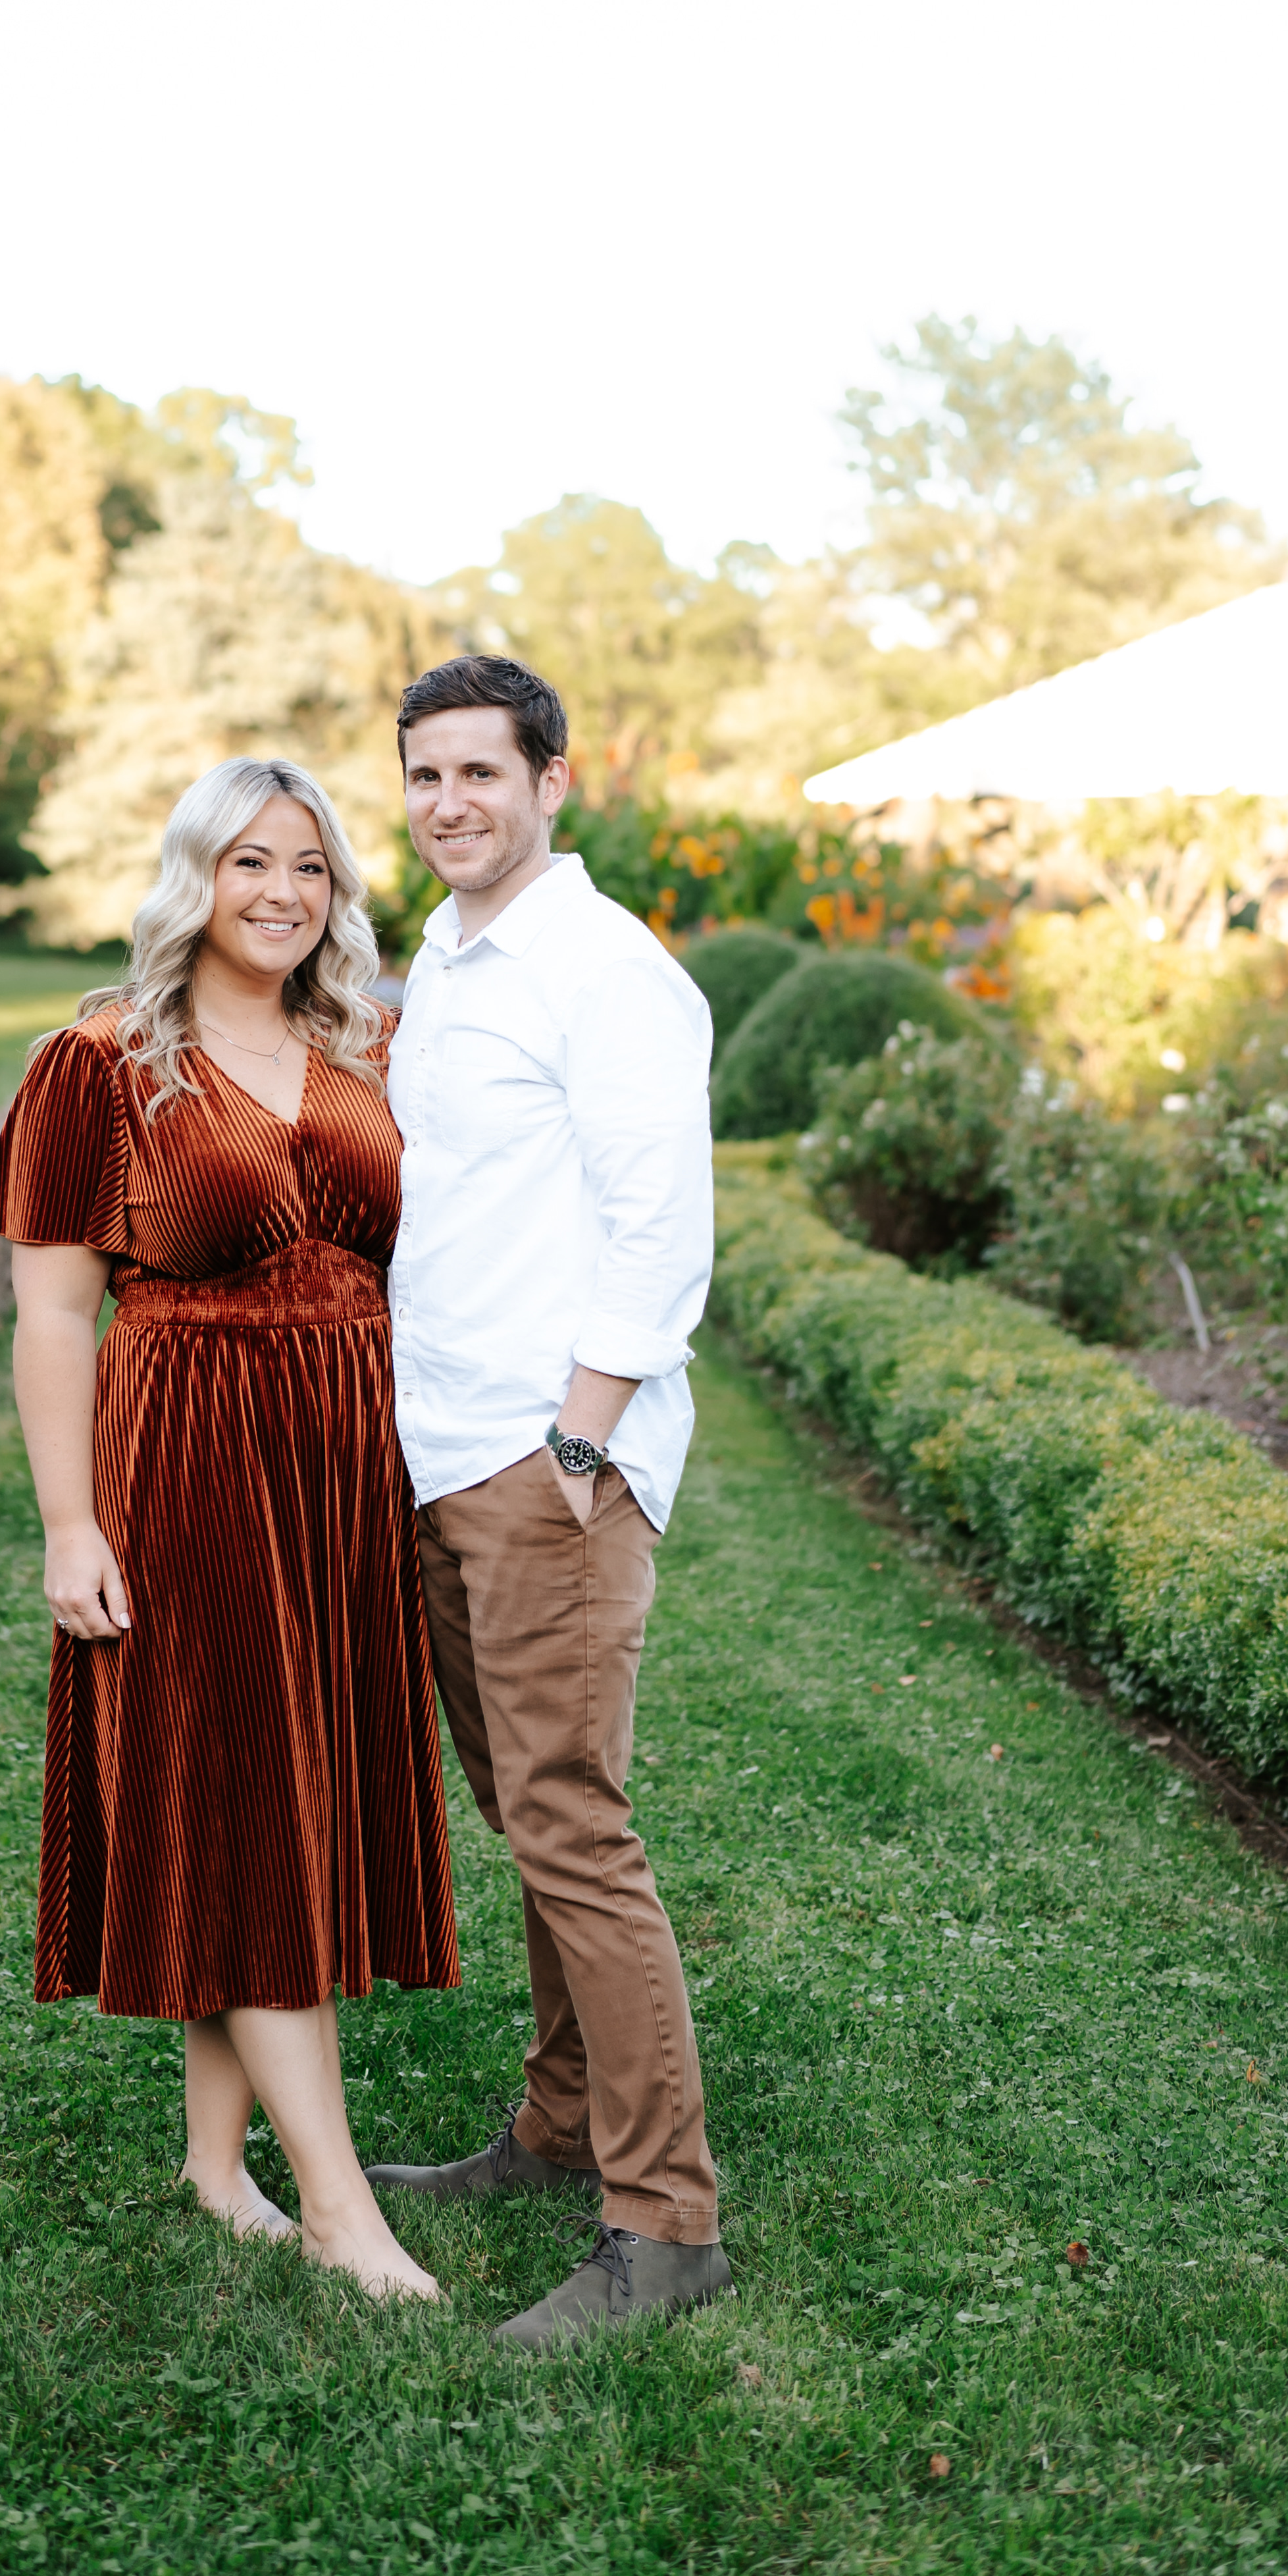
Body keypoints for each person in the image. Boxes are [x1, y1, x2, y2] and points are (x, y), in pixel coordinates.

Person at [0, 756, 453, 2301]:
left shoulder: (364, 1040)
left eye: (309, 869)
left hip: (344, 1463)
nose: (281, 896)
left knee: (275, 1798)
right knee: (239, 1795)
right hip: (187, 1446)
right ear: (194, 874)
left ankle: (209, 2163)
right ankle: (335, 2207)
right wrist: (68, 1525)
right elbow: (53, 1317)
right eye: (249, 863)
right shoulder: (102, 1059)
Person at [365, 654, 730, 2348]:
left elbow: (659, 1234)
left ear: (552, 783)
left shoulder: (607, 972)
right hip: (438, 1449)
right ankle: (558, 2125)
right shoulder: (444, 954)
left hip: (541, 1462)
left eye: (480, 776)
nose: (449, 804)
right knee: (529, 1816)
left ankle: (661, 2232)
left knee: (573, 1826)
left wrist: (576, 1449)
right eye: (425, 775)